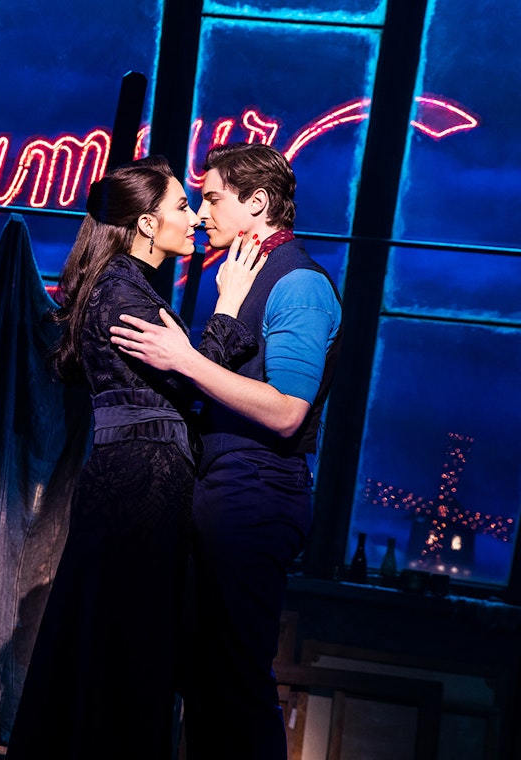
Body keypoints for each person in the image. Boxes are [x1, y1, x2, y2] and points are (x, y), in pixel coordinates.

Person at [7, 156, 266, 760]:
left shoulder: (122, 286)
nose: (195, 220)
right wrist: (228, 306)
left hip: (133, 475)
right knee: (129, 639)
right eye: (181, 207)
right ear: (146, 225)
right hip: (143, 478)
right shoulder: (123, 292)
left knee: (114, 636)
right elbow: (193, 379)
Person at [110, 143, 342, 760]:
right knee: (207, 677)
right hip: (225, 489)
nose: (201, 213)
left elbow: (288, 410)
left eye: (212, 198)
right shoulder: (239, 277)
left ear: (257, 203)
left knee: (235, 680)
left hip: (260, 491)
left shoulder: (299, 283)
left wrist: (185, 358)